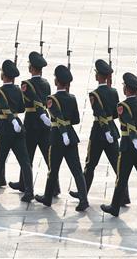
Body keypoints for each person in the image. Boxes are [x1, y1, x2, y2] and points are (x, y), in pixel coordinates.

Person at [100, 72, 137, 222]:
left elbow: (128, 124)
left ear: (126, 89)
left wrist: (133, 139)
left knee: (122, 178)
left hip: (128, 144)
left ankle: (114, 207)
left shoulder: (122, 106)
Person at [0, 60, 34, 202]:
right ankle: (29, 191)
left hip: (4, 128)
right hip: (18, 127)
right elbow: (21, 108)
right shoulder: (18, 90)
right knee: (25, 161)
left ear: (3, 75)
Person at [36, 65, 88, 210]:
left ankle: (47, 198)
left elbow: (57, 117)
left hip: (57, 138)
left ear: (56, 81)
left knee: (53, 169)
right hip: (71, 137)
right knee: (77, 170)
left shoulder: (51, 99)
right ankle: (84, 200)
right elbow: (76, 120)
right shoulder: (72, 98)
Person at [9, 51, 58, 195]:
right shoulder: (46, 83)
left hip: (31, 123)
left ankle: (24, 184)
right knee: (48, 156)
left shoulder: (27, 84)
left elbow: (23, 105)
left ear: (32, 67)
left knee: (27, 156)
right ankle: (54, 187)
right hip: (44, 124)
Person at [76, 59, 122, 202]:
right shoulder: (114, 92)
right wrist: (109, 128)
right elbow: (115, 114)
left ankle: (83, 193)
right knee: (117, 165)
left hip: (98, 133)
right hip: (112, 131)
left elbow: (98, 113)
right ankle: (124, 196)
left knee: (90, 165)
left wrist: (105, 129)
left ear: (99, 76)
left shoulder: (94, 95)